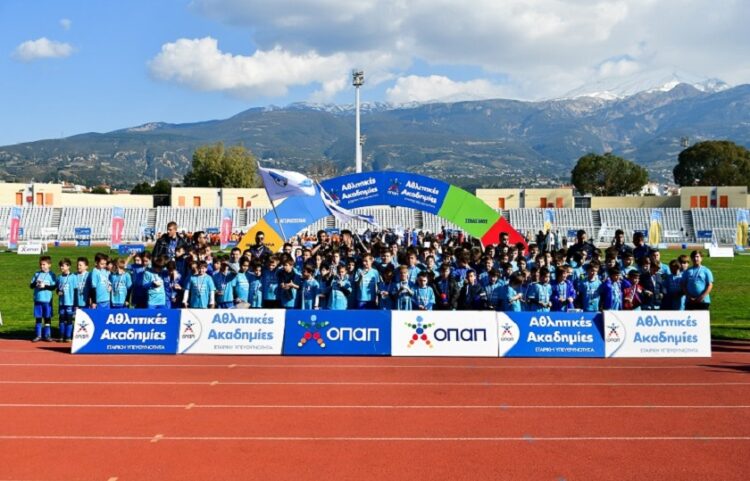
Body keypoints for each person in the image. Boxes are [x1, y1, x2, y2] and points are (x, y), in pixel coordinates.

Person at [30, 256, 57, 342]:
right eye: (41, 264)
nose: (42, 266)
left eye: (44, 264)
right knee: (38, 318)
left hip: (47, 300)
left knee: (47, 318)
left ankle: (47, 335)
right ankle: (38, 335)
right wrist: (36, 283)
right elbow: (31, 285)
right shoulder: (37, 274)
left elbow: (53, 287)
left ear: (49, 265)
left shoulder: (51, 275)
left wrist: (44, 286)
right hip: (38, 300)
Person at [56, 258, 76, 342]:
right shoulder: (59, 277)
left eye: (63, 266)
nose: (61, 267)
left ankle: (68, 336)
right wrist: (58, 292)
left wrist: (75, 304)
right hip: (61, 302)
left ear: (68, 266)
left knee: (69, 320)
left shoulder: (73, 277)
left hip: (70, 302)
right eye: (61, 266)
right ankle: (61, 335)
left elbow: (76, 290)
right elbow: (58, 289)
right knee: (61, 319)